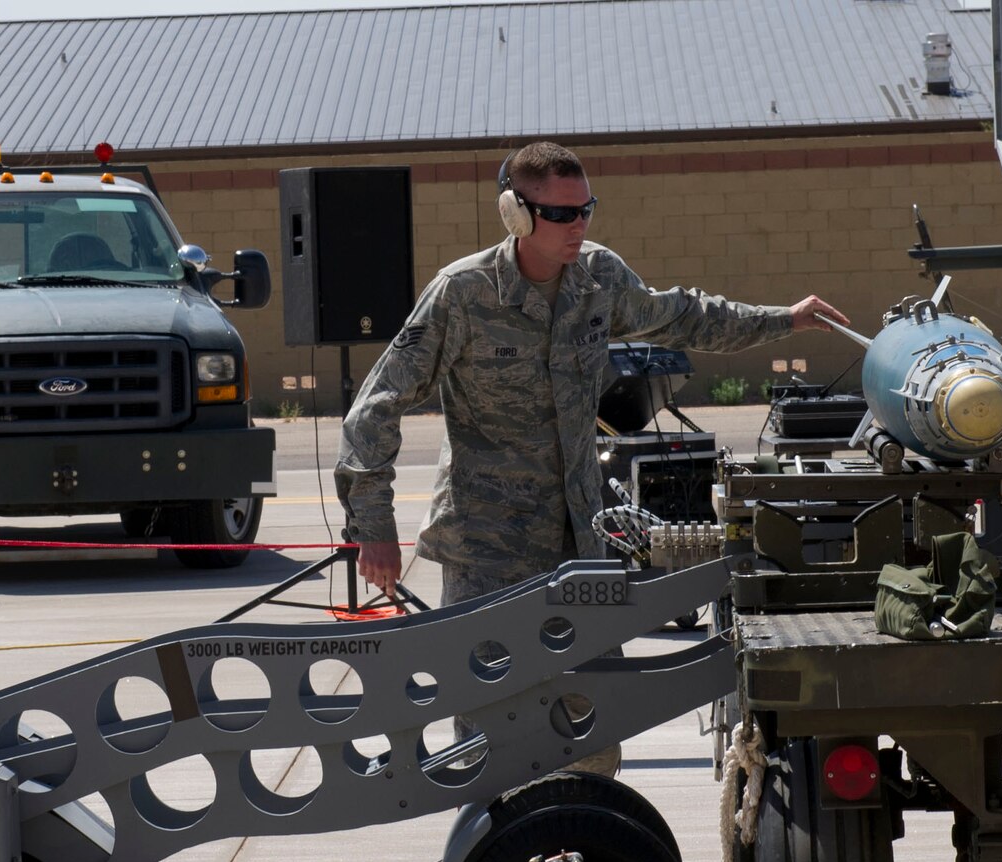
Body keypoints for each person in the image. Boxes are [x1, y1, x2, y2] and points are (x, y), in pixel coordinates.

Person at [336, 141, 850, 773]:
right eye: (560, 214)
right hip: (486, 554)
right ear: (516, 214)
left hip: (577, 548)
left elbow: (680, 317)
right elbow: (374, 409)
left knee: (593, 728)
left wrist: (784, 320)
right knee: (488, 742)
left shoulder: (599, 280)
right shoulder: (463, 295)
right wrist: (373, 530)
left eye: (586, 210)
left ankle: (589, 855)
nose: (577, 225)